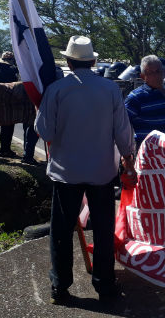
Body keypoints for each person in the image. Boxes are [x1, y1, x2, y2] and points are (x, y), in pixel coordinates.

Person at [35, 35, 135, 305]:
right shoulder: (110, 89)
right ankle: (104, 284)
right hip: (102, 171)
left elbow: (44, 130)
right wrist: (128, 162)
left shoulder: (56, 90)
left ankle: (60, 285)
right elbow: (123, 132)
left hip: (66, 172)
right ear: (92, 61)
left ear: (68, 61)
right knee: (103, 228)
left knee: (61, 230)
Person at [0, 52, 41, 164]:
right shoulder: (10, 70)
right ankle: (19, 153)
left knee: (6, 126)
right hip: (12, 100)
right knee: (19, 126)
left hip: (5, 101)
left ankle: (5, 149)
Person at [125, 55, 165, 148]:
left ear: (163, 72)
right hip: (148, 155)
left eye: (158, 71)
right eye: (150, 73)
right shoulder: (136, 97)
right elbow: (122, 125)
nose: (156, 76)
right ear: (142, 76)